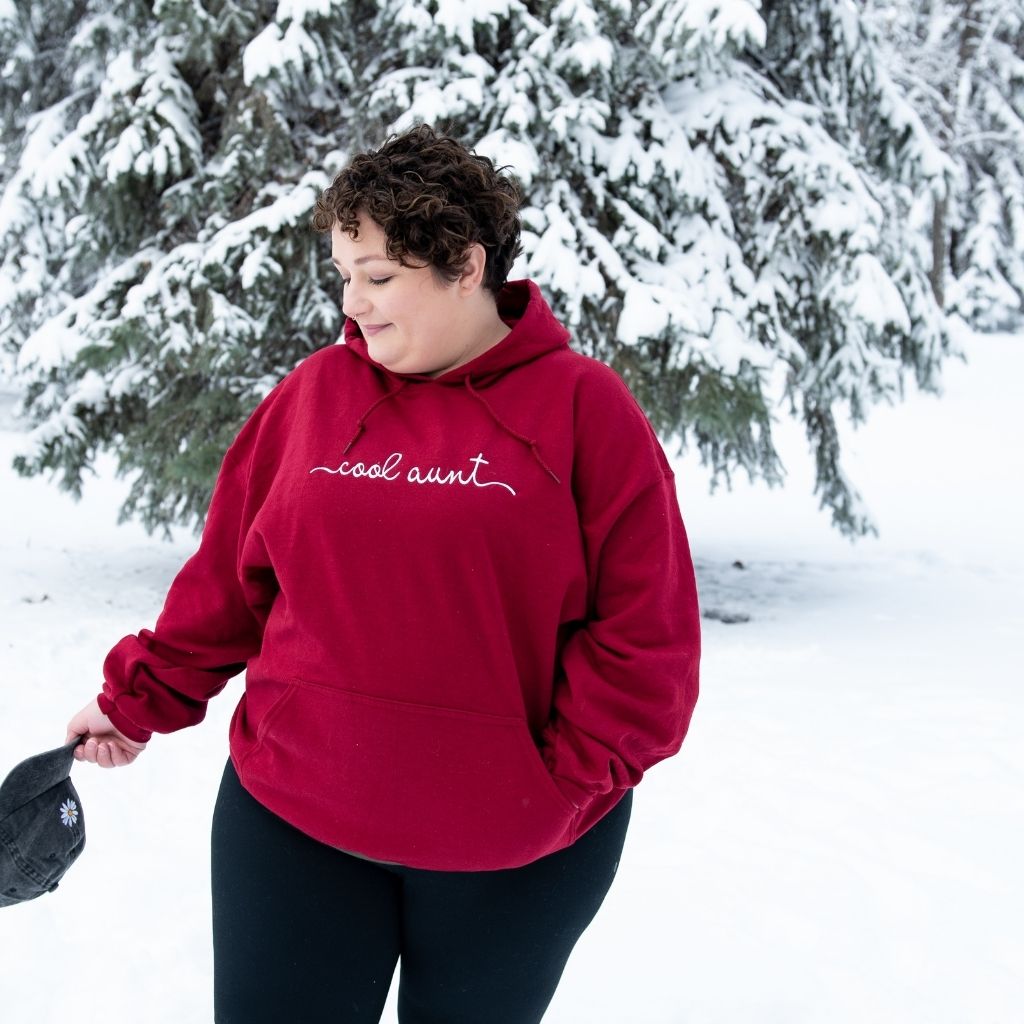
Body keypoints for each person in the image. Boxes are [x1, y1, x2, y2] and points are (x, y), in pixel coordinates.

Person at [65, 124, 702, 1024]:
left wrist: (554, 785)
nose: (353, 303)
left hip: (512, 849)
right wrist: (137, 700)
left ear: (467, 267)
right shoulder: (317, 393)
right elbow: (227, 582)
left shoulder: (583, 409)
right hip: (293, 818)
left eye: (379, 277)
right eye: (344, 276)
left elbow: (649, 641)